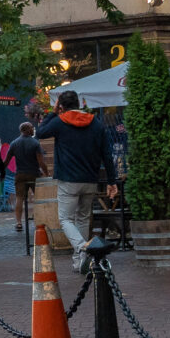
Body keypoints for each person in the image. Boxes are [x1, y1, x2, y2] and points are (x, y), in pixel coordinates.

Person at [39, 88, 118, 271]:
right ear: (81, 103)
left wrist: (53, 112)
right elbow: (107, 153)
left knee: (65, 219)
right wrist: (112, 181)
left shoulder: (59, 122)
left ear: (62, 106)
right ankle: (81, 260)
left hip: (68, 179)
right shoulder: (96, 123)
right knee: (82, 218)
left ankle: (83, 247)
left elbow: (41, 132)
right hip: (90, 179)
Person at [9, 120, 44, 236]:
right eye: (32, 128)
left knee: (19, 198)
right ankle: (38, 222)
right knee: (37, 198)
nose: (33, 129)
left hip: (20, 174)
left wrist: (1, 172)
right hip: (34, 174)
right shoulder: (35, 143)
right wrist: (46, 173)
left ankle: (19, 223)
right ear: (27, 129)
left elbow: (6, 161)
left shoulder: (14, 143)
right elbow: (40, 161)